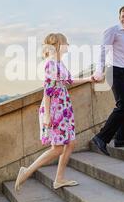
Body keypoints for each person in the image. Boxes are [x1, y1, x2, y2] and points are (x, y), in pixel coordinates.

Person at [15, 33, 94, 192]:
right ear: (58, 44)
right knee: (57, 148)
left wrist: (88, 79)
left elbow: (68, 81)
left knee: (71, 142)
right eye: (66, 42)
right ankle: (27, 171)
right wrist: (47, 116)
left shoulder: (59, 63)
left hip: (63, 107)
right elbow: (48, 90)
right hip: (55, 109)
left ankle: (59, 179)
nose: (68, 45)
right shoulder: (50, 64)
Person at [91, 5, 124, 156]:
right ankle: (101, 137)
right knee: (123, 104)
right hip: (112, 70)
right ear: (119, 17)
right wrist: (99, 71)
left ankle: (122, 138)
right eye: (123, 16)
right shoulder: (112, 30)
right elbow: (103, 50)